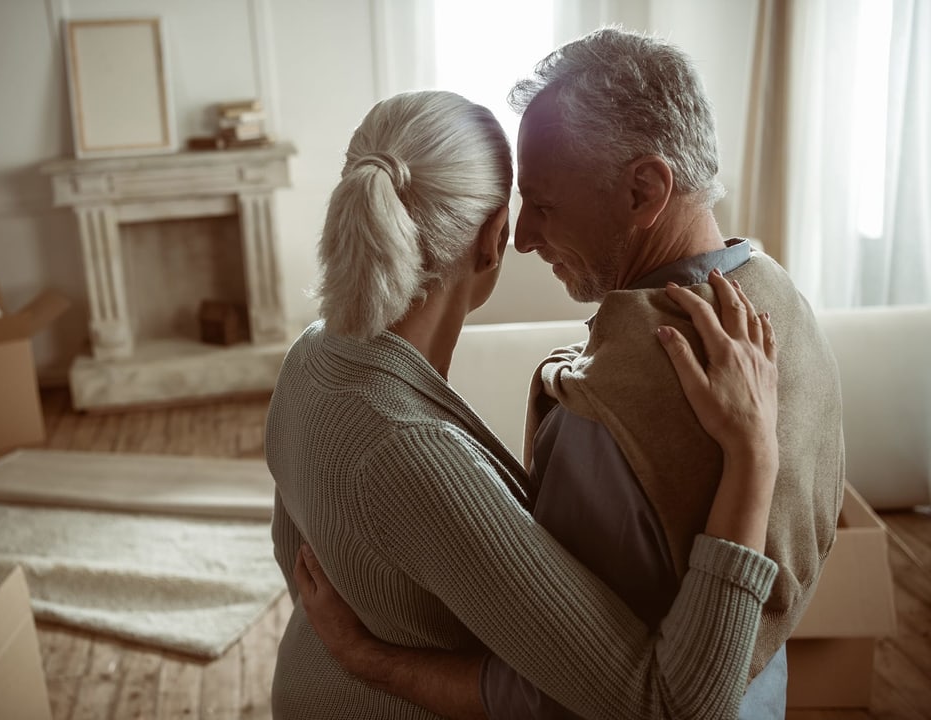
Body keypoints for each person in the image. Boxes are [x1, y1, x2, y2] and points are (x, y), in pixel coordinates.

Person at [291, 27, 845, 720]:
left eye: (544, 204)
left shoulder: (606, 418)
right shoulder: (783, 301)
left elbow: (570, 695)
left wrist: (372, 661)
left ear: (644, 189)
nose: (523, 238)